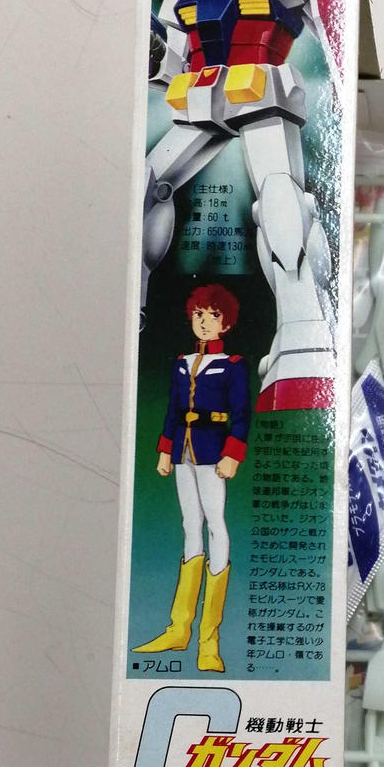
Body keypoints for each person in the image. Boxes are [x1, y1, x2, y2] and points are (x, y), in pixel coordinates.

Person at [134, 284, 249, 671]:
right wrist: (164, 449)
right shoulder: (181, 364)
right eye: (199, 314)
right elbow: (173, 409)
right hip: (183, 452)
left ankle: (209, 641)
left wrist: (233, 454)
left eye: (212, 315)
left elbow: (241, 415)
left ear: (226, 323)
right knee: (189, 526)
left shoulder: (232, 365)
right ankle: (178, 629)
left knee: (216, 525)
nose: (204, 322)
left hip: (213, 453)